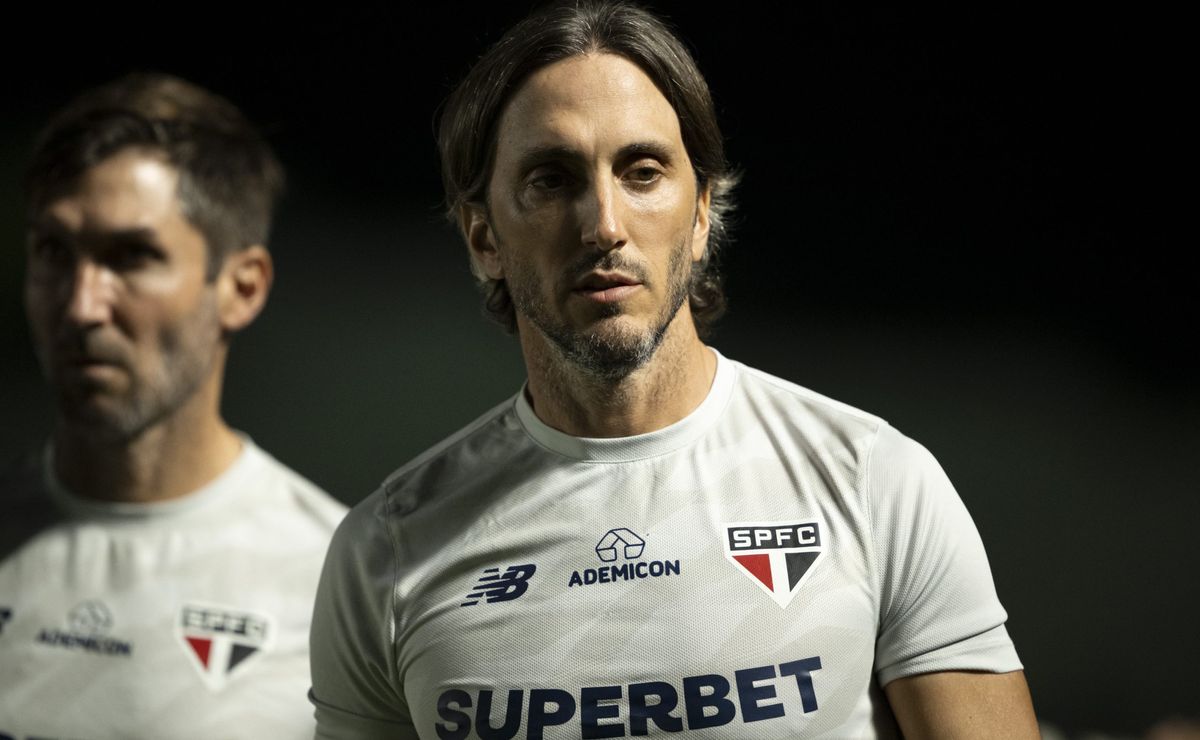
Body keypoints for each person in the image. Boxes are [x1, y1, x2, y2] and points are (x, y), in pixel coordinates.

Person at [309, 2, 1039, 737]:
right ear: (483, 239)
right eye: (551, 180)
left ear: (700, 215)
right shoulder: (386, 554)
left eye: (643, 172)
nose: (604, 225)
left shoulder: (874, 484)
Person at [0, 73, 346, 738]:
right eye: (53, 252)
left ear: (242, 288)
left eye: (132, 257)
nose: (81, 305)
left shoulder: (342, 582)